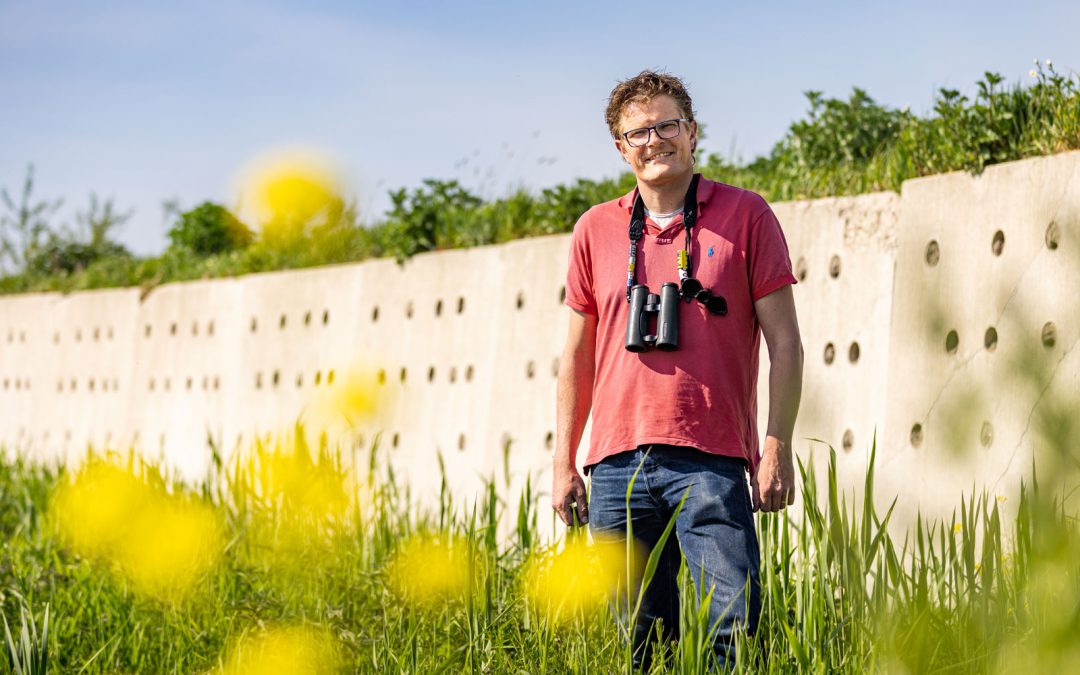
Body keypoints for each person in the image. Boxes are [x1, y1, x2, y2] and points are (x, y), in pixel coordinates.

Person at [552, 70, 804, 670]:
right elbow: (576, 359)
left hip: (711, 457)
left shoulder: (746, 215)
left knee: (731, 628)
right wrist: (563, 460)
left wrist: (777, 445)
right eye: (637, 131)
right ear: (620, 148)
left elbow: (786, 345)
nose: (653, 140)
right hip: (615, 464)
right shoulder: (594, 229)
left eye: (667, 125)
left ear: (691, 134)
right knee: (639, 639)